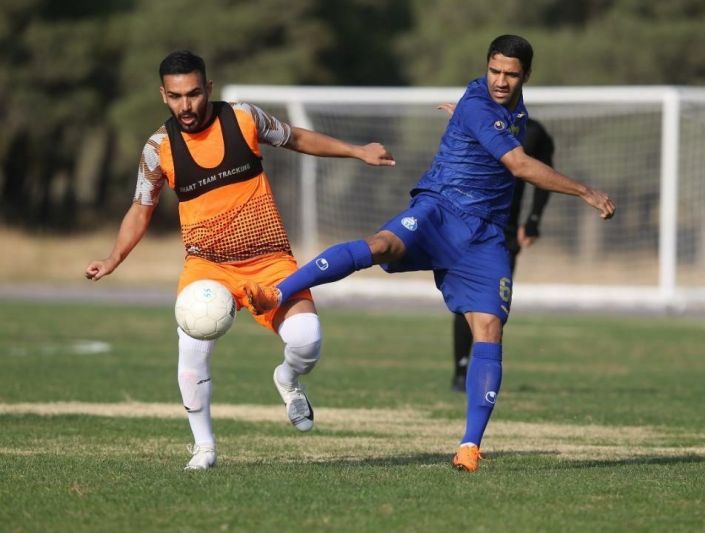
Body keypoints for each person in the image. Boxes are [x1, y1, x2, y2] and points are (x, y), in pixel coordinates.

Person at [245, 35, 615, 472]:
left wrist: (464, 120)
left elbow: (490, 128)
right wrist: (585, 191)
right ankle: (276, 292)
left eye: (510, 74)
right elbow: (519, 165)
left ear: (526, 75)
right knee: (381, 245)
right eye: (494, 71)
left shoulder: (508, 109)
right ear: (486, 66)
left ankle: (469, 447)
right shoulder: (480, 103)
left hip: (484, 236)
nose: (500, 80)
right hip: (440, 209)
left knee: (490, 329)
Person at [84, 50, 395, 470]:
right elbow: (141, 209)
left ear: (208, 88)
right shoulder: (158, 149)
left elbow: (296, 138)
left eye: (194, 93)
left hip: (270, 261)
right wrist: (113, 258)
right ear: (163, 95)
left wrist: (357, 151)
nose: (186, 105)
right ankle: (204, 447)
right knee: (191, 354)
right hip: (207, 267)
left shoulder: (244, 118)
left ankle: (287, 378)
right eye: (175, 96)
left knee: (307, 341)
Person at [449, 117, 554, 392]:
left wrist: (533, 220)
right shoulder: (477, 122)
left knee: (494, 304)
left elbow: (544, 176)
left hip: (504, 232)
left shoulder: (534, 133)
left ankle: (483, 375)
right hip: (467, 225)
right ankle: (461, 370)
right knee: (467, 300)